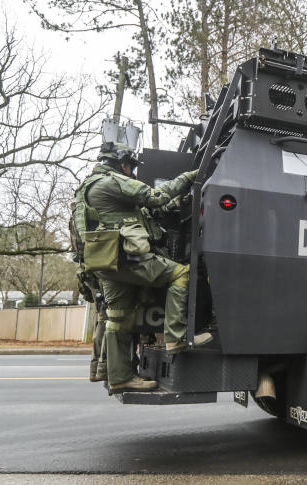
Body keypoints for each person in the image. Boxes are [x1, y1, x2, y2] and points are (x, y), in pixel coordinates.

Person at [72, 144, 212, 392]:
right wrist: (191, 176)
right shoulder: (111, 182)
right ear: (120, 162)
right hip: (126, 258)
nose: (132, 171)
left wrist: (175, 202)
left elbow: (142, 212)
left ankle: (118, 377)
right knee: (181, 274)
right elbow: (155, 197)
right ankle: (175, 338)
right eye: (131, 166)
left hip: (107, 262)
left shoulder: (88, 187)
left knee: (118, 319)